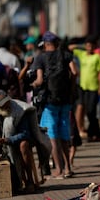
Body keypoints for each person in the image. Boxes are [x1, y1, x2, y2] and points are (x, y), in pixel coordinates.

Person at [0, 89, 51, 194]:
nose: (7, 105)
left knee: (24, 145)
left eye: (7, 102)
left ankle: (29, 182)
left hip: (17, 139)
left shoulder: (19, 110)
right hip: (1, 142)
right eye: (3, 104)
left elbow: (25, 134)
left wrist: (8, 140)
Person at [31, 31, 77, 179]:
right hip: (65, 101)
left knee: (53, 137)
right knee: (64, 135)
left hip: (50, 103)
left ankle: (58, 169)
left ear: (45, 44)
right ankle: (68, 168)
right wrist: (71, 88)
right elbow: (75, 72)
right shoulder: (65, 55)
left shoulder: (41, 57)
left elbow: (38, 80)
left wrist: (33, 84)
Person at [68, 35, 100, 142]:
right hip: (83, 87)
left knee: (91, 111)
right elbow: (70, 47)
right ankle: (94, 133)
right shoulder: (82, 54)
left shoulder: (97, 57)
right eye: (88, 46)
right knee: (87, 112)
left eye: (91, 46)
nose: (89, 48)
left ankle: (94, 132)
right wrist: (83, 46)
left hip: (94, 87)